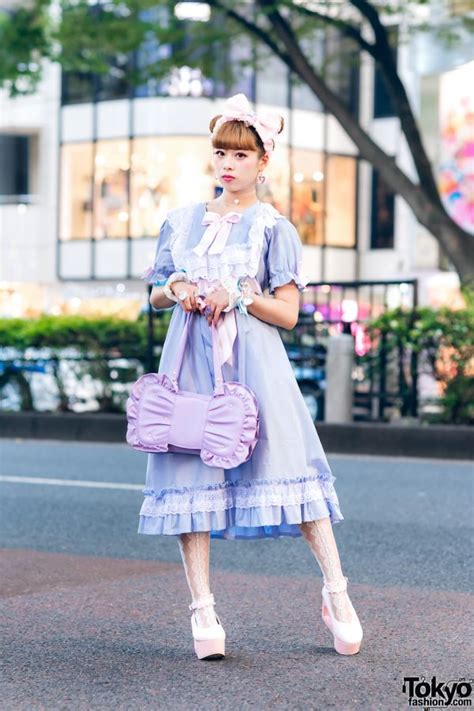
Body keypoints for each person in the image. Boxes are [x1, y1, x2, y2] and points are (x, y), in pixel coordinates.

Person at [139, 93, 363, 661]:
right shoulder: (181, 221)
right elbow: (155, 293)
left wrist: (239, 293)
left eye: (240, 154)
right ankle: (203, 608)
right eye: (220, 152)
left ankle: (337, 593)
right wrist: (180, 290)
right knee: (189, 475)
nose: (227, 163)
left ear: (264, 161)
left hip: (255, 364)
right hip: (190, 362)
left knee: (291, 466)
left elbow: (287, 313)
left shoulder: (273, 228)